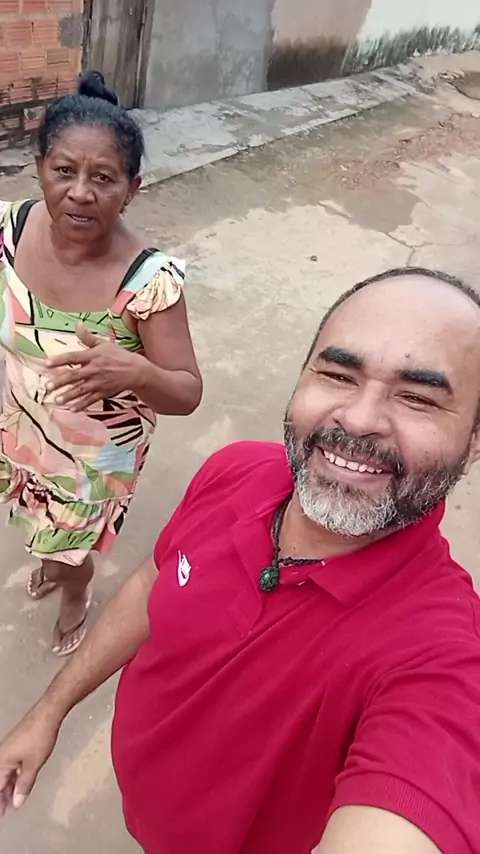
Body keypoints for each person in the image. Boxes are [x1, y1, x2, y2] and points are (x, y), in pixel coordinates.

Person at [1, 267, 480, 854]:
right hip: (145, 809)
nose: (358, 419)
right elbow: (154, 583)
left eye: (418, 398)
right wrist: (49, 710)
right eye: (338, 375)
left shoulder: (441, 655)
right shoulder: (237, 470)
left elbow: (415, 798)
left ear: (474, 439)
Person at [0, 70, 202, 656]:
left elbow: (187, 392)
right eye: (64, 171)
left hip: (94, 456)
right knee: (36, 520)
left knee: (71, 549)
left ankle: (75, 591)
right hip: (23, 422)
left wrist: (133, 372)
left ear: (132, 188)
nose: (81, 193)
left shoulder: (149, 282)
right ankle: (55, 562)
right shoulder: (9, 230)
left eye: (104, 178)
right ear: (40, 167)